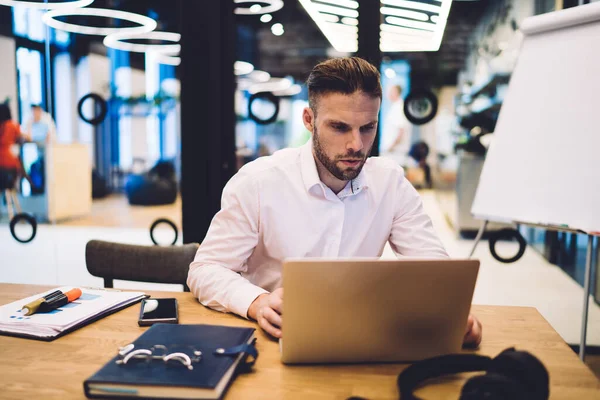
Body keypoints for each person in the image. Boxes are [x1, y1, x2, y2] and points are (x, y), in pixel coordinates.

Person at [188, 57, 482, 347]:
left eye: (367, 128)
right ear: (309, 120)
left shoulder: (390, 183)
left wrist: (453, 312)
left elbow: (433, 270)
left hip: (360, 337)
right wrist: (257, 302)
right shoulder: (259, 182)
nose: (356, 144)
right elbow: (205, 270)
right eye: (340, 128)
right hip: (273, 339)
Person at [0, 103, 30, 191]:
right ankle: (32, 185)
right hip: (10, 165)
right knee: (19, 163)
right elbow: (26, 138)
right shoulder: (12, 125)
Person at [381, 84, 411, 167]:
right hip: (392, 152)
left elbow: (401, 131)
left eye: (391, 91)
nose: (388, 94)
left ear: (396, 92)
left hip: (396, 153)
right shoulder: (394, 107)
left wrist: (391, 147)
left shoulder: (399, 108)